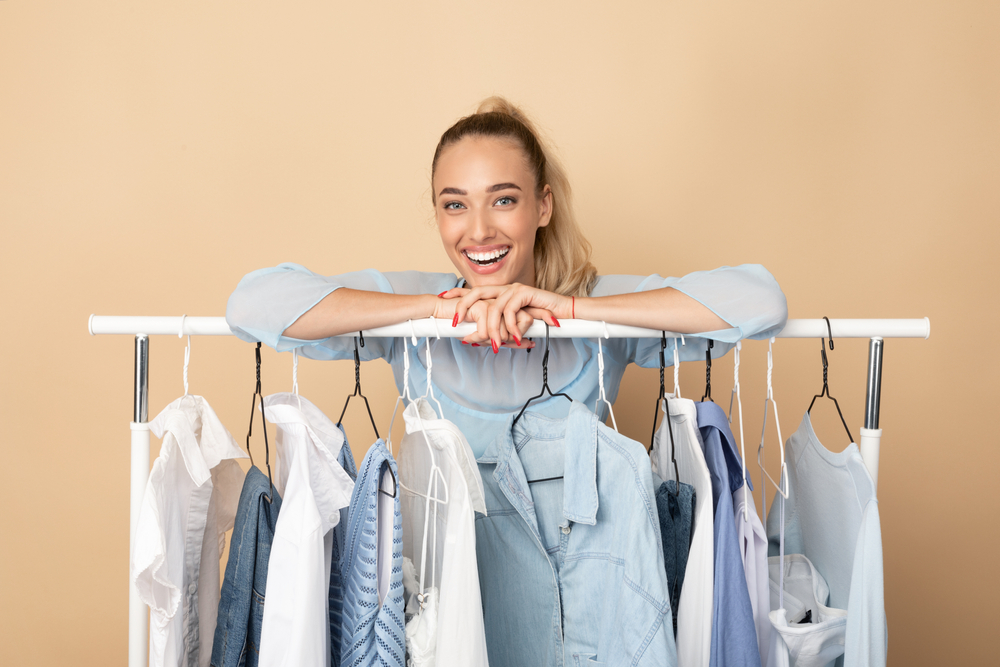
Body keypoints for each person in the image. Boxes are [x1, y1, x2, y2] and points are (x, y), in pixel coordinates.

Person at [227, 97, 788, 456]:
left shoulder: (596, 306)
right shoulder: (410, 304)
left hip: (575, 600)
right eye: (454, 205)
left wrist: (565, 310)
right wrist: (437, 309)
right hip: (444, 596)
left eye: (503, 199)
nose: (478, 230)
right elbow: (253, 305)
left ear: (543, 206)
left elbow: (757, 300)